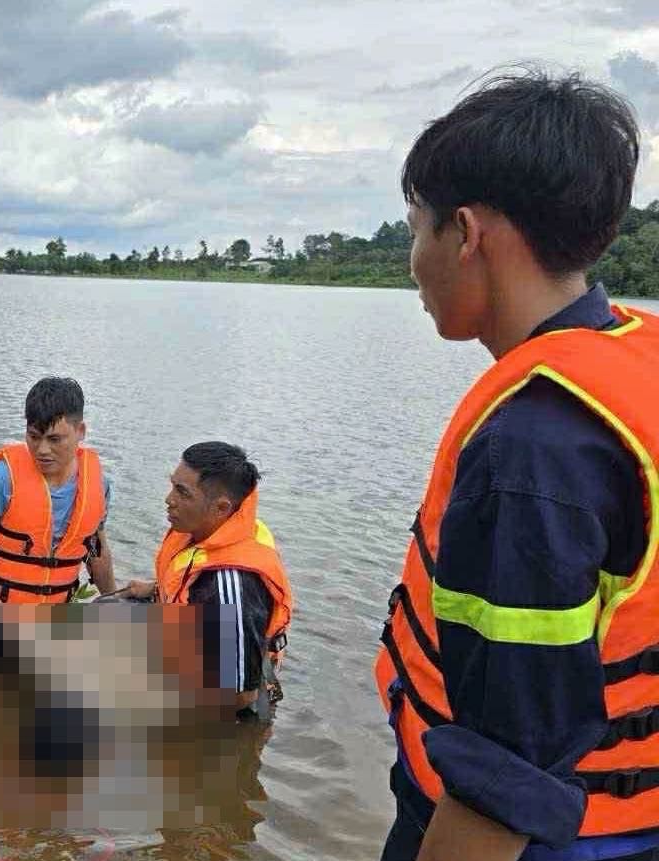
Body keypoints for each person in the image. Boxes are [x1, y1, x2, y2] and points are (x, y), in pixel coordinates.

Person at [374, 71, 659, 861]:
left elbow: (508, 769)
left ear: (464, 232)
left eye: (414, 228)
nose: (412, 262)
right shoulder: (635, 362)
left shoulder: (534, 446)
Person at [121, 442, 293, 715]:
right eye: (172, 485)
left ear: (221, 508)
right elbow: (193, 589)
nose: (169, 499)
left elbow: (240, 694)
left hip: (234, 702)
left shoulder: (230, 583)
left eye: (182, 493)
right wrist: (154, 590)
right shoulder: (209, 530)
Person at [0, 376, 115, 604]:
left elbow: (96, 550)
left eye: (55, 439)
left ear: (81, 431)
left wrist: (115, 600)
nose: (42, 450)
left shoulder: (99, 486)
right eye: (34, 437)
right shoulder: (0, 480)